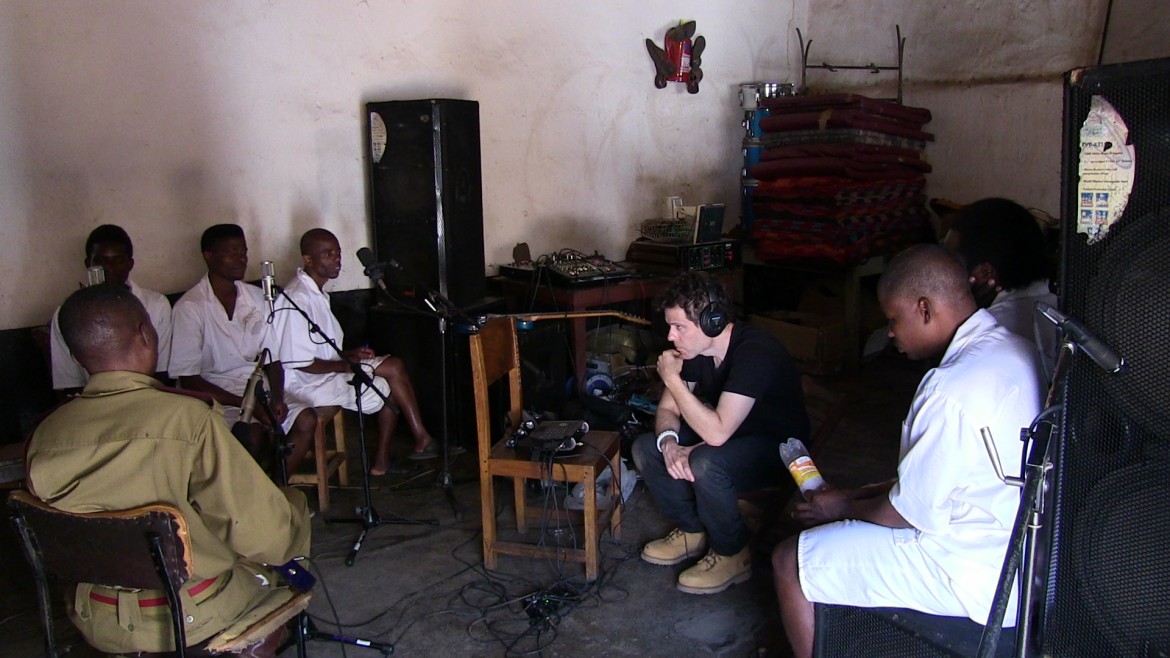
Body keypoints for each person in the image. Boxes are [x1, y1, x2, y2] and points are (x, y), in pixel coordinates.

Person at [771, 244, 1044, 658]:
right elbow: (950, 473)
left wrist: (841, 505)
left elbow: (906, 514)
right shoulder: (1014, 349)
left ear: (924, 308)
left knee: (790, 561)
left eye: (894, 319)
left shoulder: (950, 387)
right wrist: (864, 496)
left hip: (968, 572)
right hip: (1020, 558)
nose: (892, 333)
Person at [26, 283, 311, 656]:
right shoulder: (187, 420)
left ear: (77, 358)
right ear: (147, 334)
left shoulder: (46, 433)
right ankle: (278, 632)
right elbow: (264, 536)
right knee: (291, 510)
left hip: (94, 614)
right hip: (189, 614)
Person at [631, 271, 809, 595]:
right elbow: (668, 411)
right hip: (730, 440)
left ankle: (732, 553)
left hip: (777, 450)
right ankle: (691, 531)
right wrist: (669, 443)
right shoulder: (698, 353)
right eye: (670, 327)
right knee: (647, 448)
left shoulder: (755, 352)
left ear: (711, 322)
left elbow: (716, 434)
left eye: (679, 327)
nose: (671, 337)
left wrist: (671, 379)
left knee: (707, 462)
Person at [273, 228, 456, 476]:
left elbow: (319, 346)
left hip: (327, 371)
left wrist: (349, 354)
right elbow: (298, 362)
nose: (337, 259)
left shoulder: (315, 293)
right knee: (394, 370)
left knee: (390, 380)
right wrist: (344, 365)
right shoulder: (297, 297)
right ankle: (413, 442)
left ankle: (390, 456)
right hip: (306, 384)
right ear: (308, 259)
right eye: (328, 254)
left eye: (338, 253)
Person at [169, 224, 315, 476]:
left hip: (259, 390)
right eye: (232, 252)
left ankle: (275, 492)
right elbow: (188, 378)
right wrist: (245, 404)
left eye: (244, 252)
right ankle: (251, 500)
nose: (242, 259)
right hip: (216, 397)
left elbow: (273, 359)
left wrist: (277, 397)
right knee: (252, 433)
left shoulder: (257, 298)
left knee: (306, 420)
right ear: (209, 255)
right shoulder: (190, 307)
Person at [943, 197, 1058, 378]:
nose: (943, 274)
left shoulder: (986, 333)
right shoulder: (1058, 305)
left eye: (951, 264)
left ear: (985, 273)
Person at [49, 224, 173, 393]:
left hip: (147, 402)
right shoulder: (67, 313)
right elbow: (69, 382)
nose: (109, 269)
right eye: (100, 261)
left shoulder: (156, 305)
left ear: (130, 264)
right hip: (95, 407)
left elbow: (162, 373)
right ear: (88, 264)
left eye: (118, 261)